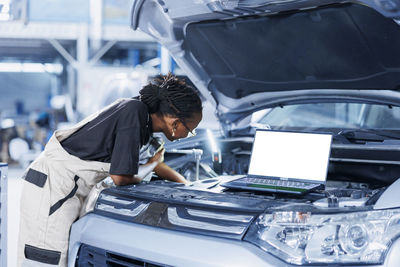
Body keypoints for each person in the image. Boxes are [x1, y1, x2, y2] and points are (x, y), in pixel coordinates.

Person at [17, 73, 203, 267]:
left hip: (69, 188)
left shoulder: (146, 124)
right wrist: (153, 163)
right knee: (46, 258)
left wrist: (191, 188)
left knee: (67, 256)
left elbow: (157, 163)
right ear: (175, 122)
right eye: (191, 130)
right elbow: (121, 177)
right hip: (53, 187)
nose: (189, 134)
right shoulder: (135, 112)